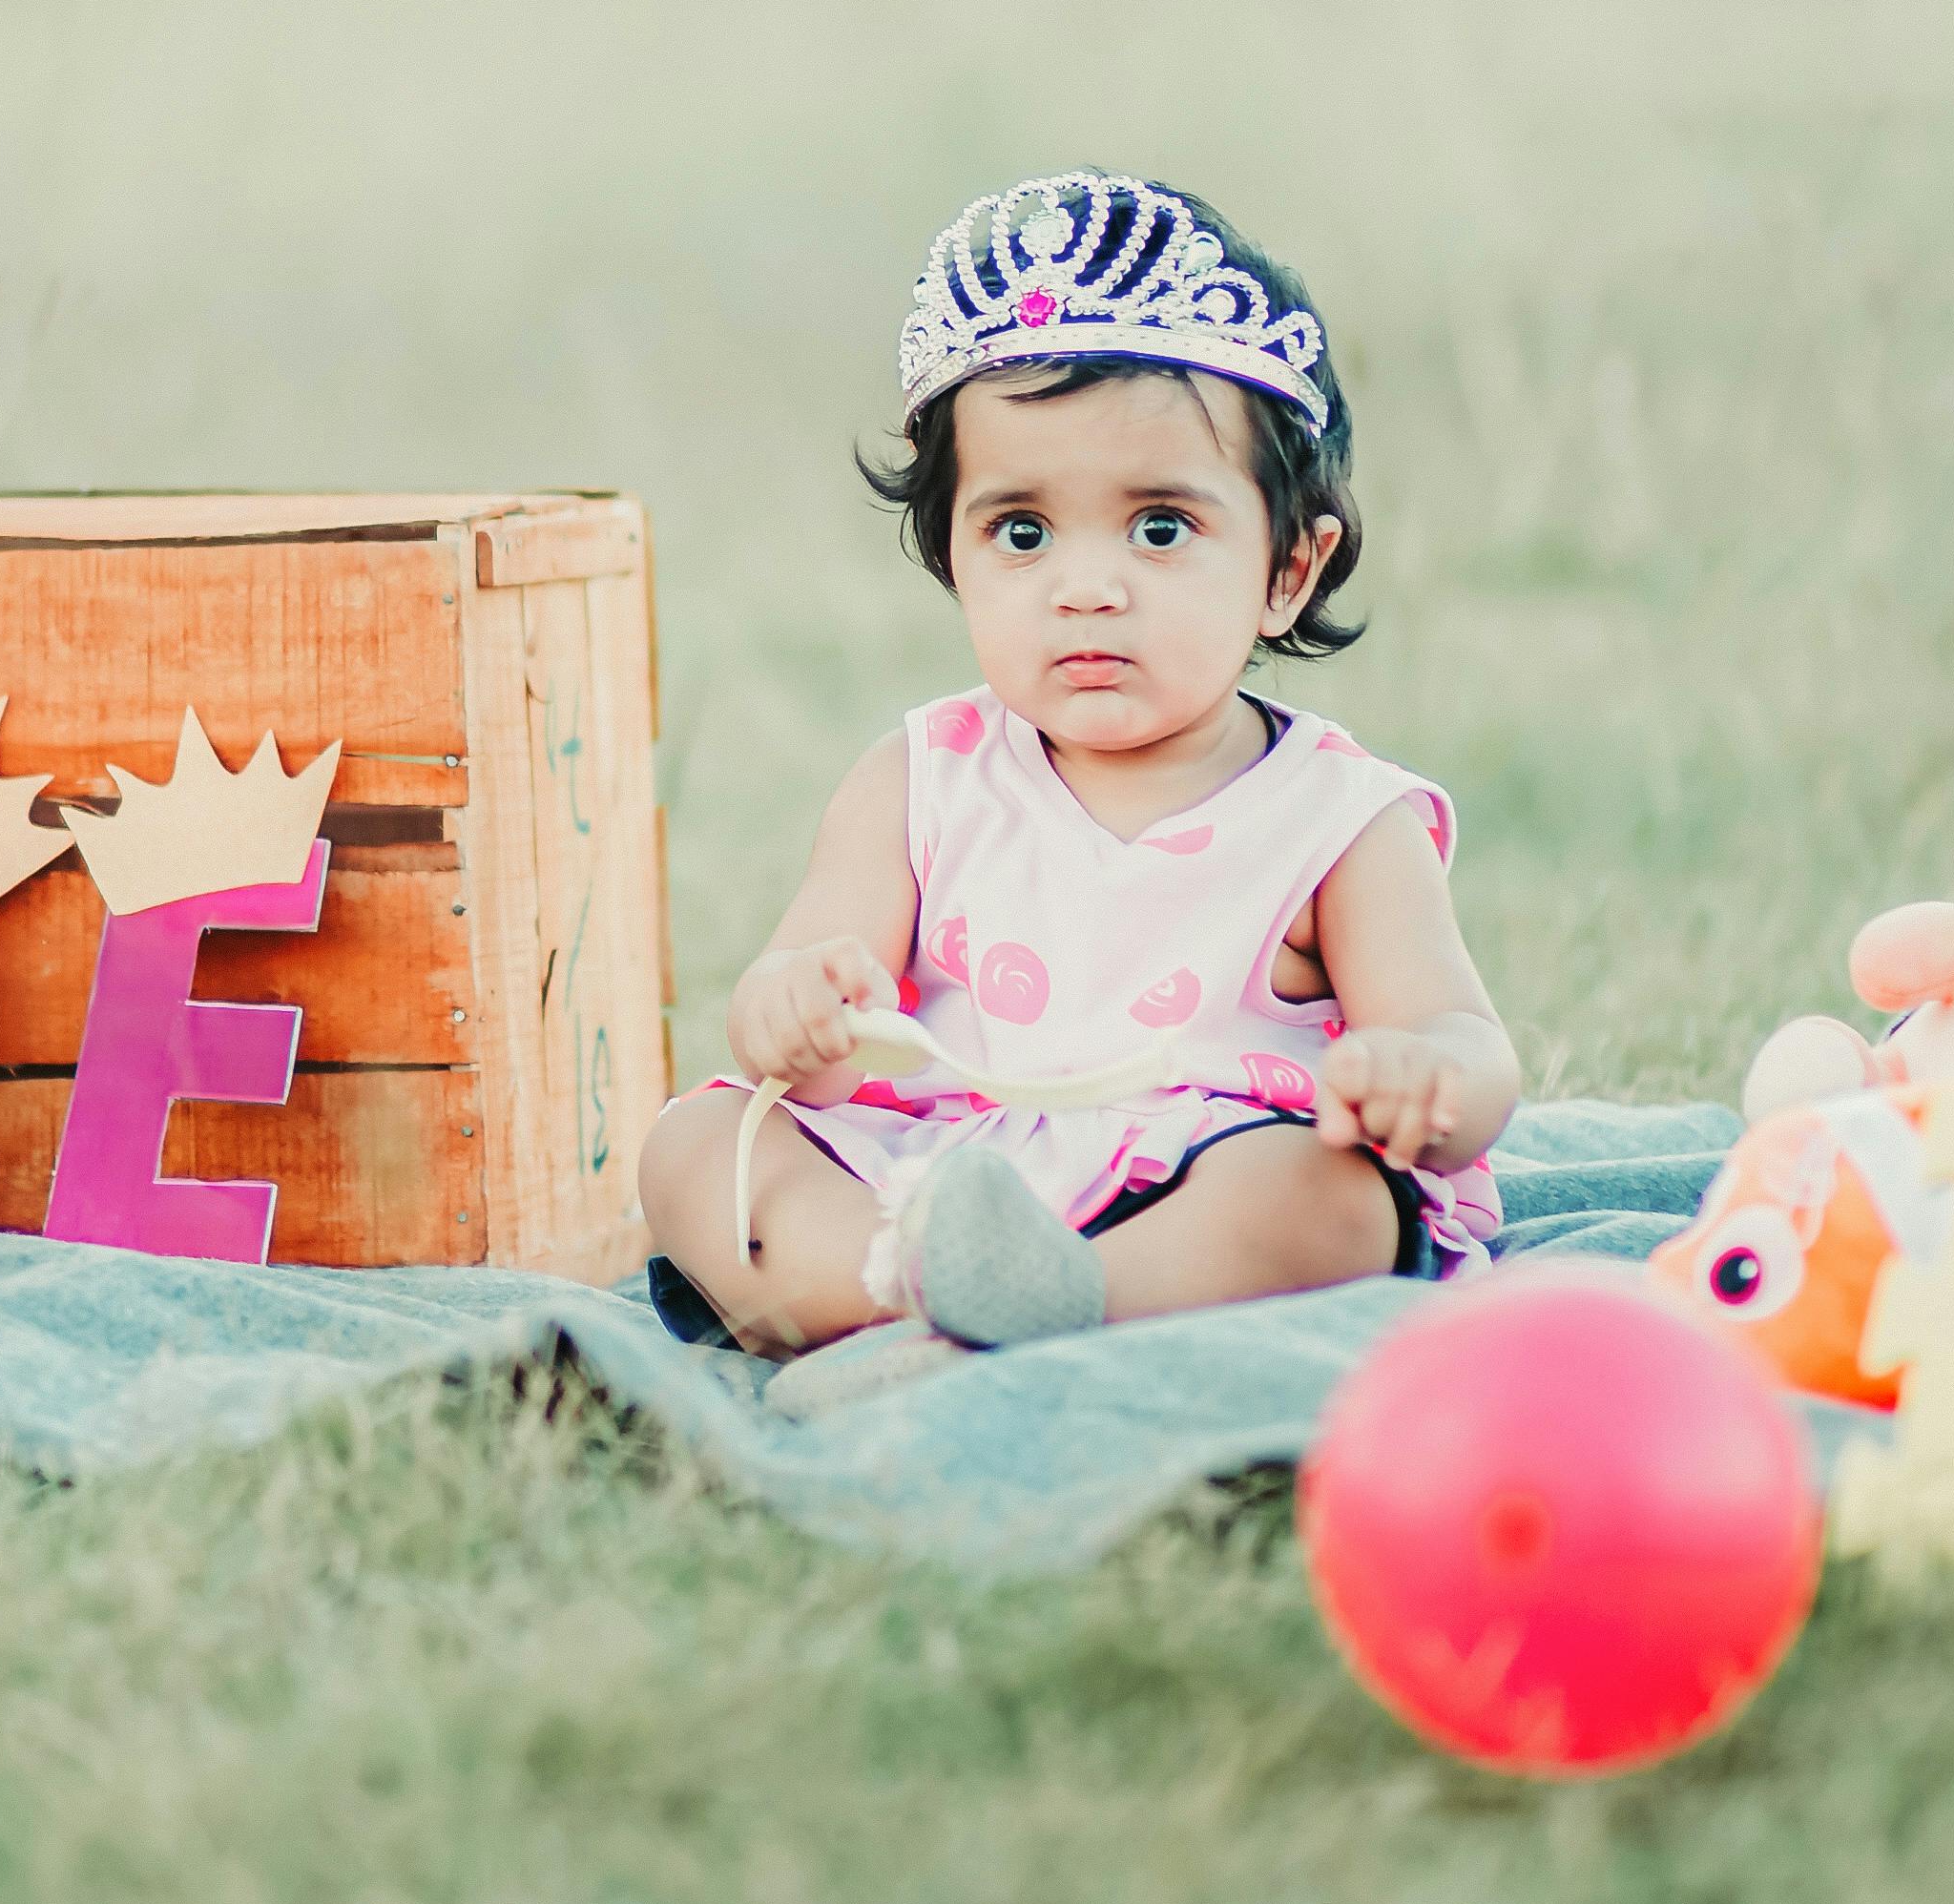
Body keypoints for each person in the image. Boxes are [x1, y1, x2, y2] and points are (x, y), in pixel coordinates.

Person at [639, 169, 1517, 1392]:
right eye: (1020, 532)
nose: (1085, 586)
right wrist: (791, 1003)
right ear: (950, 549)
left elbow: (1464, 1041)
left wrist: (1426, 1079)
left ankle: (1056, 1311)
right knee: (696, 1144)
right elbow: (794, 1028)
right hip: (937, 1180)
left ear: (1288, 569)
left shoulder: (1337, 821)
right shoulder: (919, 779)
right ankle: (893, 1292)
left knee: (1335, 1204)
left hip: (1195, 1188)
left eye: (1160, 528)